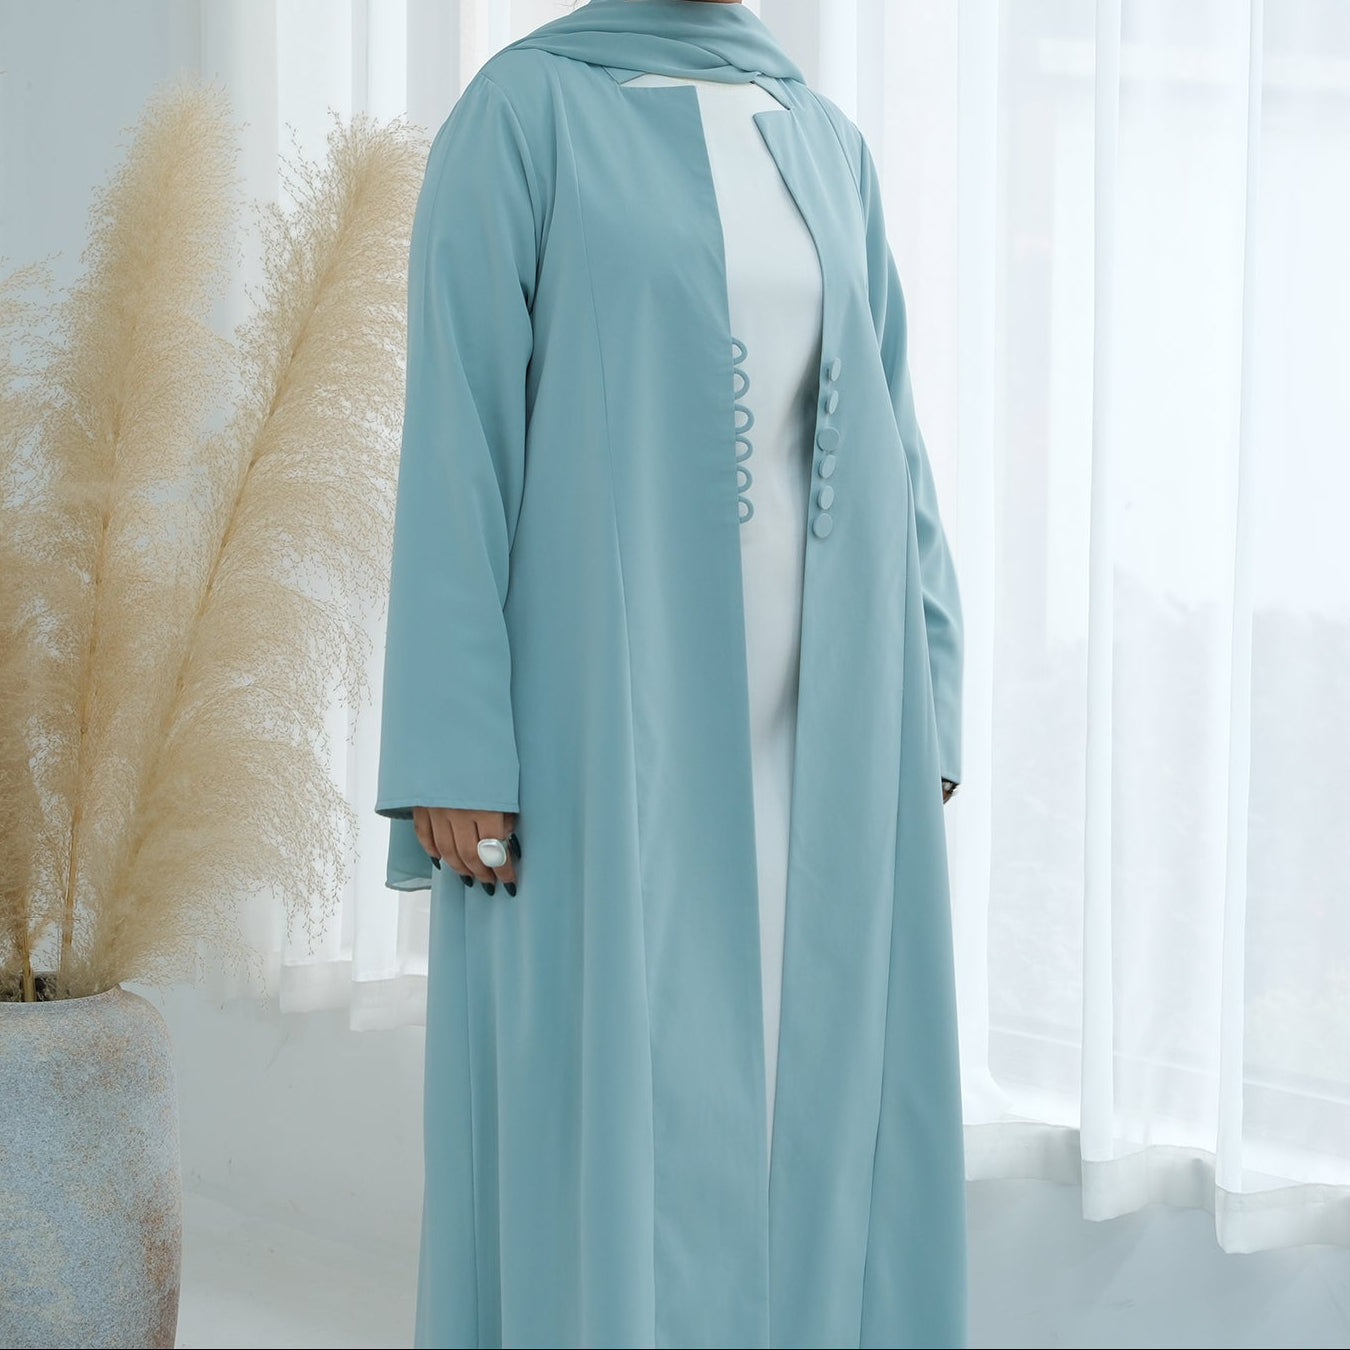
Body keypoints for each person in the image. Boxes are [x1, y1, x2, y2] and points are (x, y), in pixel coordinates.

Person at [374, 2, 966, 1346]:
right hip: (599, 721)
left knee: (805, 1090)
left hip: (820, 722)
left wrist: (929, 668)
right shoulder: (520, 118)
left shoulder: (822, 140)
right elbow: (456, 432)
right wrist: (451, 743)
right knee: (622, 1093)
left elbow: (892, 431)